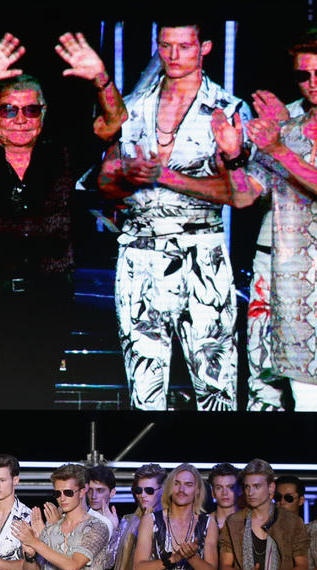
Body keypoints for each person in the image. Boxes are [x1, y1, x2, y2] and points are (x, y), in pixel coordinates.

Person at [0, 32, 126, 408]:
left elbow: (114, 120)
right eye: (9, 110)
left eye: (31, 110)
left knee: (39, 394)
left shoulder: (63, 155)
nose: (20, 119)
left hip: (48, 300)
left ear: (43, 115)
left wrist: (100, 77)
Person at [97, 18, 246, 411]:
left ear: (205, 48)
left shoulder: (228, 110)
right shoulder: (129, 108)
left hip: (203, 254)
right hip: (139, 253)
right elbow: (104, 185)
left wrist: (166, 177)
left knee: (217, 386)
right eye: (166, 46)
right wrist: (128, 177)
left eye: (184, 45)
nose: (174, 55)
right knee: (144, 388)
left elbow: (239, 195)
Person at [212, 29, 317, 410]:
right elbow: (243, 195)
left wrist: (277, 146)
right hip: (286, 277)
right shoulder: (286, 127)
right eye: (303, 76)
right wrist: (235, 156)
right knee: (300, 395)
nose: (312, 84)